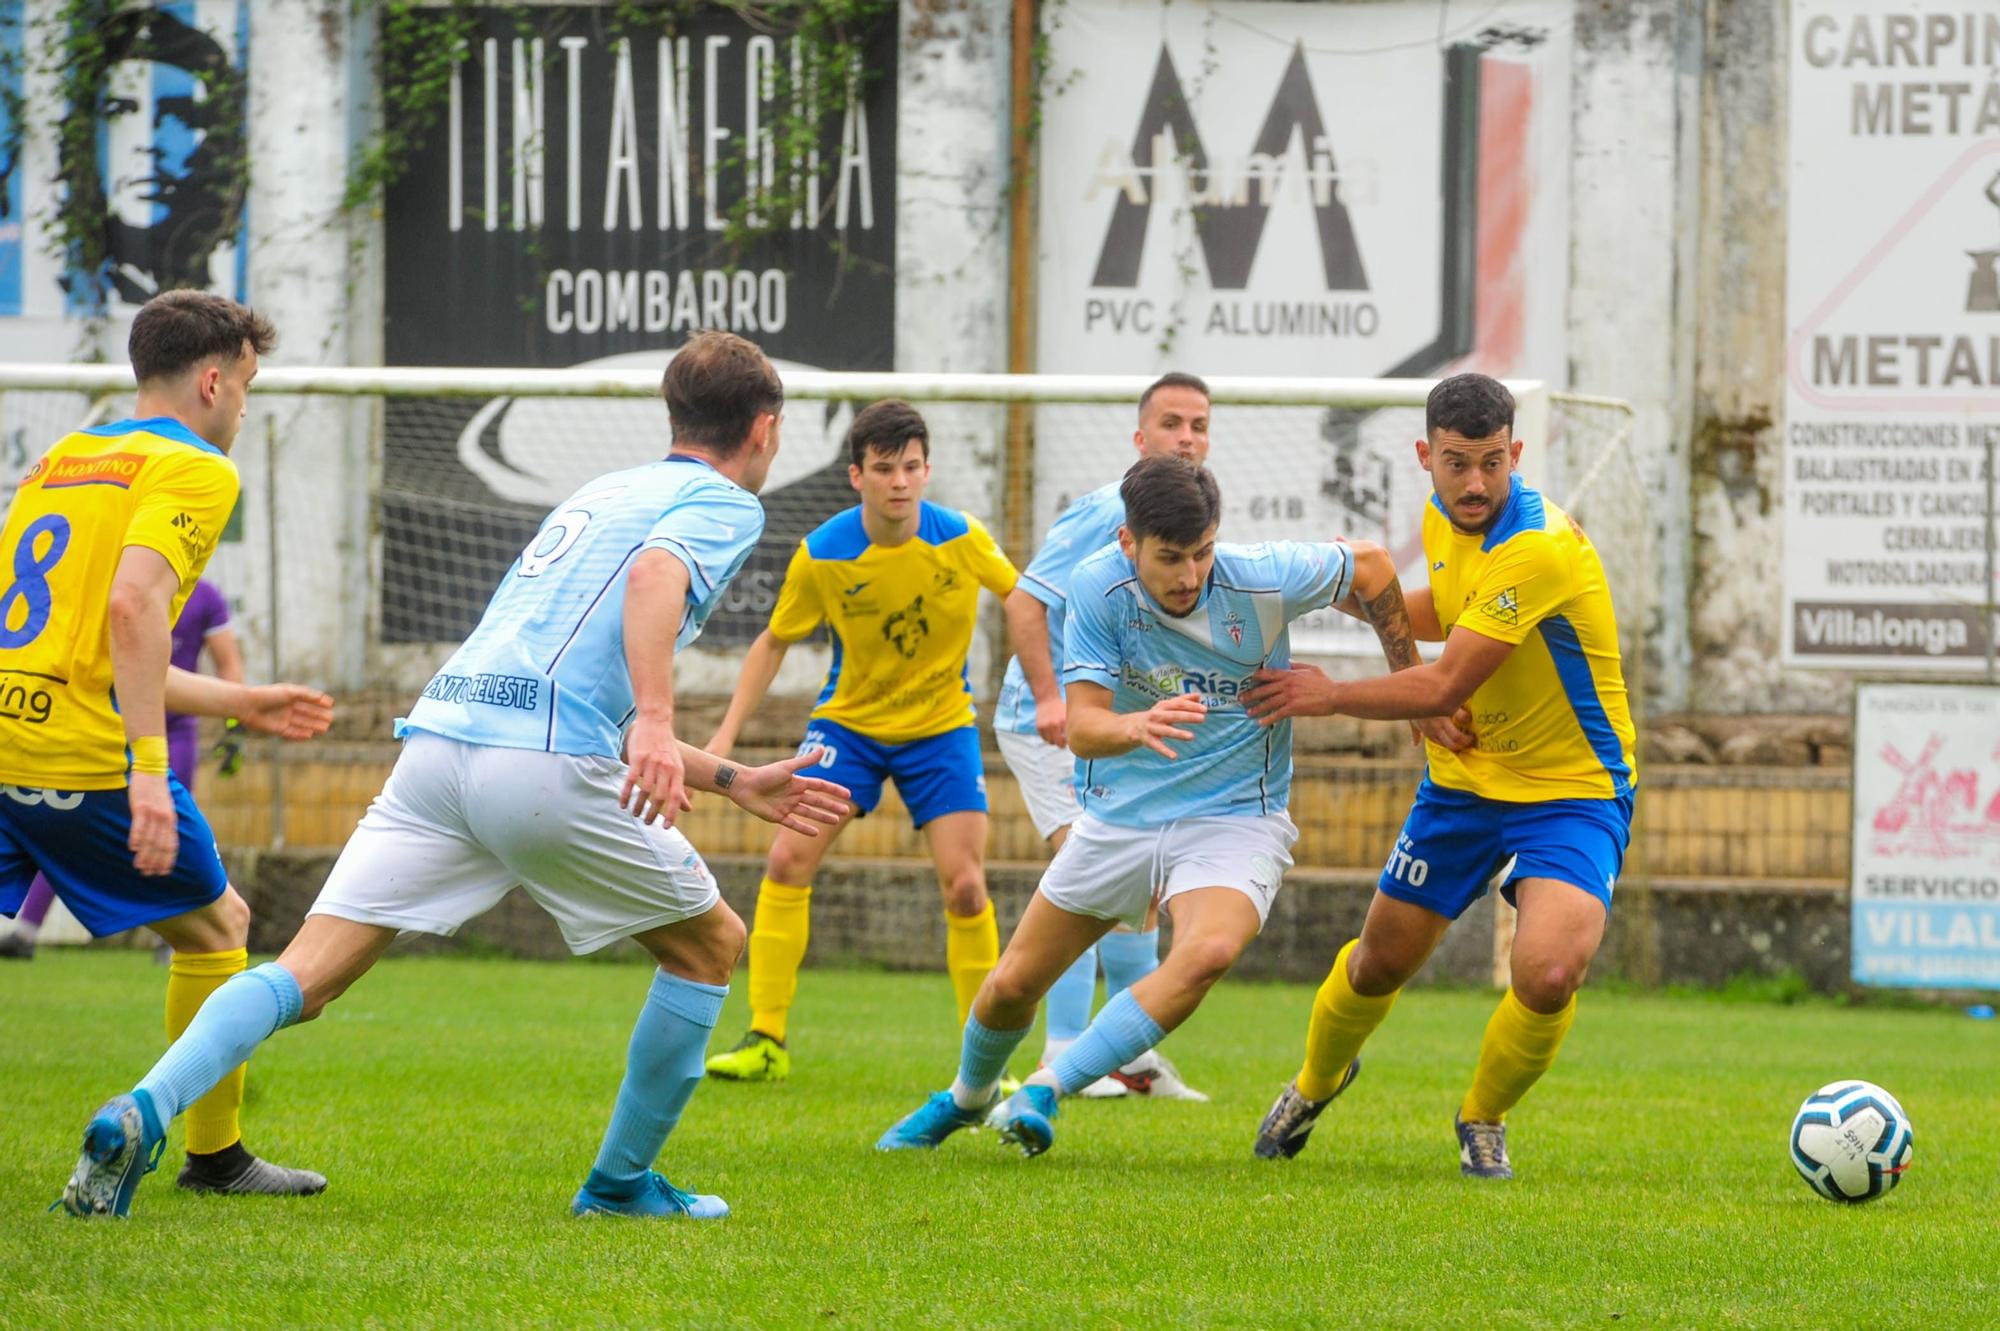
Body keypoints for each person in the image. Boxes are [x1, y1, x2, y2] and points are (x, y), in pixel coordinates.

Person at [58, 330, 852, 1221]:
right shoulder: (724, 504)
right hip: (540, 767)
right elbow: (656, 581)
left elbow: (572, 675)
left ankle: (143, 1108)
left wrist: (731, 776)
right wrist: (662, 724)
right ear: (768, 429)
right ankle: (620, 1185)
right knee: (709, 946)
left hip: (442, 744)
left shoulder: (605, 491)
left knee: (304, 976)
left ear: (672, 414)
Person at [876, 455, 1430, 1158]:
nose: (1190, 575)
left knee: (1208, 951)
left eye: (1201, 553)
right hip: (1121, 816)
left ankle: (1047, 1085)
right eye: (1170, 557)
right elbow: (1080, 727)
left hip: (1235, 814)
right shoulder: (1097, 589)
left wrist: (1412, 685)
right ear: (1128, 543)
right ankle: (964, 1097)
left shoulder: (1260, 574)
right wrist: (1133, 726)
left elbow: (1375, 567)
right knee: (1012, 985)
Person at [1243, 372, 1636, 1180]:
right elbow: (1444, 607)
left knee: (1551, 970)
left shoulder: (1537, 547)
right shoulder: (1443, 516)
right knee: (1378, 962)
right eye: (1457, 463)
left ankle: (1482, 1116)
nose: (1475, 483)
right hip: (1464, 778)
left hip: (1571, 789)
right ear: (1426, 456)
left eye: (1492, 462)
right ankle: (1316, 1082)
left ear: (1516, 453)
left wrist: (1331, 694)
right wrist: (1340, 594)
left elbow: (1447, 682)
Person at [2, 290, 335, 1198]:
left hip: (7, 735)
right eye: (249, 388)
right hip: (77, 757)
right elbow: (132, 607)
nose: (243, 408)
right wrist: (150, 773)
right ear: (214, 379)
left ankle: (216, 1155)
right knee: (220, 926)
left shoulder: (65, 458)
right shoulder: (197, 471)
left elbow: (103, 644)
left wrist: (243, 700)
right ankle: (214, 1156)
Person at [702, 399, 1018, 1083]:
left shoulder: (962, 538)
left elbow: (1022, 597)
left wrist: (1049, 693)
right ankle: (766, 1038)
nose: (899, 481)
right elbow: (774, 640)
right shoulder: (823, 552)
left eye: (910, 467)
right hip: (849, 727)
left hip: (941, 729)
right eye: (884, 469)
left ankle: (984, 1062)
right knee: (787, 859)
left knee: (966, 887)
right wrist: (725, 735)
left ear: (926, 470)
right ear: (857, 476)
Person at [991, 372, 1214, 1100]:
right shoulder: (1103, 513)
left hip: (1105, 723)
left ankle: (1132, 1058)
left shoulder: (1185, 520)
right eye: (1172, 423)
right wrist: (1052, 698)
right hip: (1046, 720)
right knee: (1086, 877)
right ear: (1140, 436)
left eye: (1199, 425)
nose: (1187, 437)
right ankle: (1064, 1049)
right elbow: (1025, 602)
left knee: (1137, 889)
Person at [1, 576, 244, 962]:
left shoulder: (206, 595)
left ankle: (176, 940)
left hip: (173, 729)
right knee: (72, 825)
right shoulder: (115, 587)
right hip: (106, 726)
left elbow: (228, 661)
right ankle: (27, 931)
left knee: (166, 829)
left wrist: (235, 726)